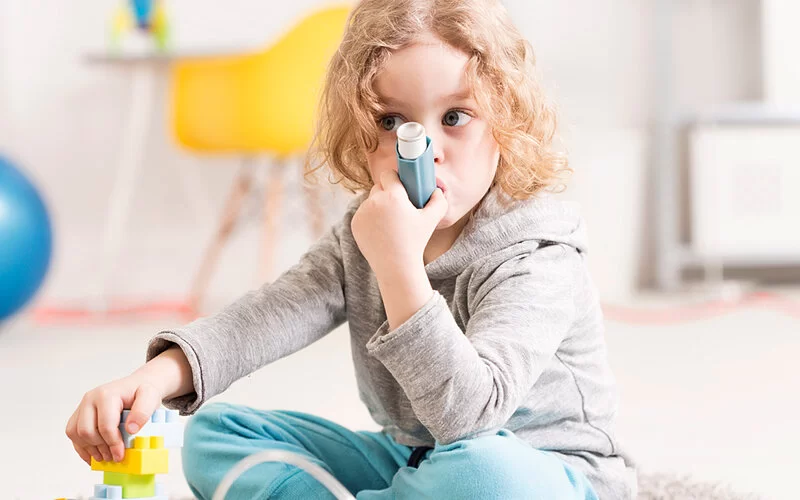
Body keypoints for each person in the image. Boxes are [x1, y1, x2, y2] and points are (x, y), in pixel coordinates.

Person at [66, 0, 637, 498]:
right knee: (214, 436)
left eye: (456, 117)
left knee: (483, 474)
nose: (423, 151)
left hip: (545, 475)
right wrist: (157, 377)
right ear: (361, 131)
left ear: (505, 123)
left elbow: (469, 416)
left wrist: (398, 267)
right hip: (415, 462)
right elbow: (270, 314)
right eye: (392, 122)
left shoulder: (537, 251)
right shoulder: (361, 234)